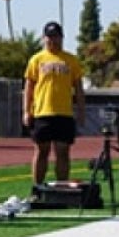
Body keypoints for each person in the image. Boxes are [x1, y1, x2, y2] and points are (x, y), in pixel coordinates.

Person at [23, 21, 86, 190]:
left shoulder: (71, 60)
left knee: (63, 152)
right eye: (50, 37)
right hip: (42, 112)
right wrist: (26, 111)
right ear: (44, 38)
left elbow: (78, 88)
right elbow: (29, 87)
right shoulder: (36, 60)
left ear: (62, 38)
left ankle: (62, 189)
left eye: (56, 37)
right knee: (41, 151)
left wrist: (81, 110)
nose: (53, 41)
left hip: (64, 113)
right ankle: (37, 188)